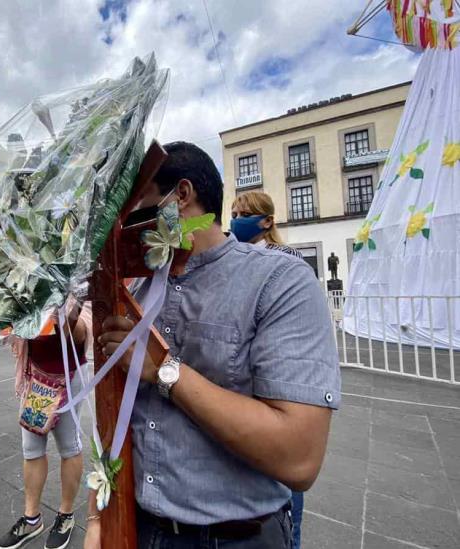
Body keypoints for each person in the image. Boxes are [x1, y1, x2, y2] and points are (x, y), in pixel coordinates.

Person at [85, 142, 340, 548]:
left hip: (235, 538)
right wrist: (98, 518)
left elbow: (299, 456)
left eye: (135, 207)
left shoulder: (280, 282)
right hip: (140, 529)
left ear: (180, 197)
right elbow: (115, 416)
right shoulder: (136, 287)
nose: (126, 224)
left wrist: (166, 371)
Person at [231, 190, 305, 548]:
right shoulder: (237, 255)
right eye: (232, 212)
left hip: (276, 380)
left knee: (287, 494)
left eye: (243, 213)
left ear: (267, 221)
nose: (235, 219)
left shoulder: (285, 260)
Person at [0, 304, 91, 549]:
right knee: (31, 448)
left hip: (69, 375)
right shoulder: (27, 274)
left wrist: (68, 315)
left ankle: (66, 514)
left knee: (69, 446)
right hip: (34, 374)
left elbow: (83, 332)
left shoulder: (81, 283)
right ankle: (32, 519)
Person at [230, 190, 303, 258]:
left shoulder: (287, 254)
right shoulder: (232, 256)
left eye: (246, 214)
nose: (237, 219)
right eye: (234, 215)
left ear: (268, 221)